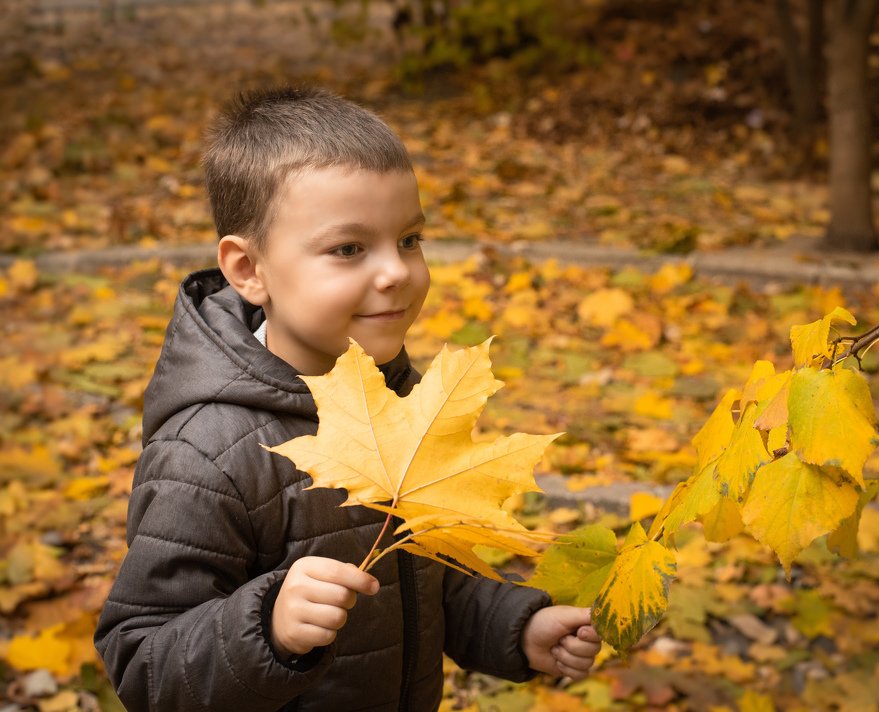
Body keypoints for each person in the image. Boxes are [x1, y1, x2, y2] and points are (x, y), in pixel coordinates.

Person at [93, 86, 602, 711]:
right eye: (349, 249)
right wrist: (267, 628)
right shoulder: (209, 453)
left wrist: (515, 627)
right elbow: (143, 663)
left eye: (409, 239)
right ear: (249, 270)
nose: (396, 272)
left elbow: (421, 579)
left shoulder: (397, 396)